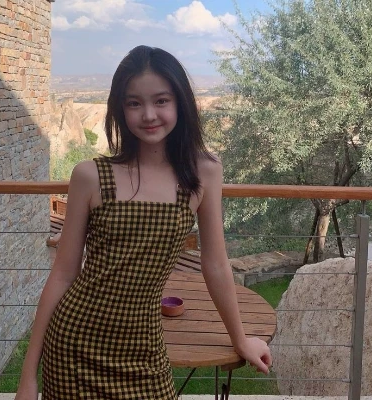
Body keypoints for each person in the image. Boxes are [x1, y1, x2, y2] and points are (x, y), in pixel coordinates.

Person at [15, 45, 272, 400]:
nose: (149, 114)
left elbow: (215, 264)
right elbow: (62, 274)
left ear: (180, 102)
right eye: (134, 103)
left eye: (161, 100)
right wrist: (28, 377)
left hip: (144, 348)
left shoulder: (203, 173)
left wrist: (239, 339)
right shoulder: (90, 176)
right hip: (74, 344)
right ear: (120, 109)